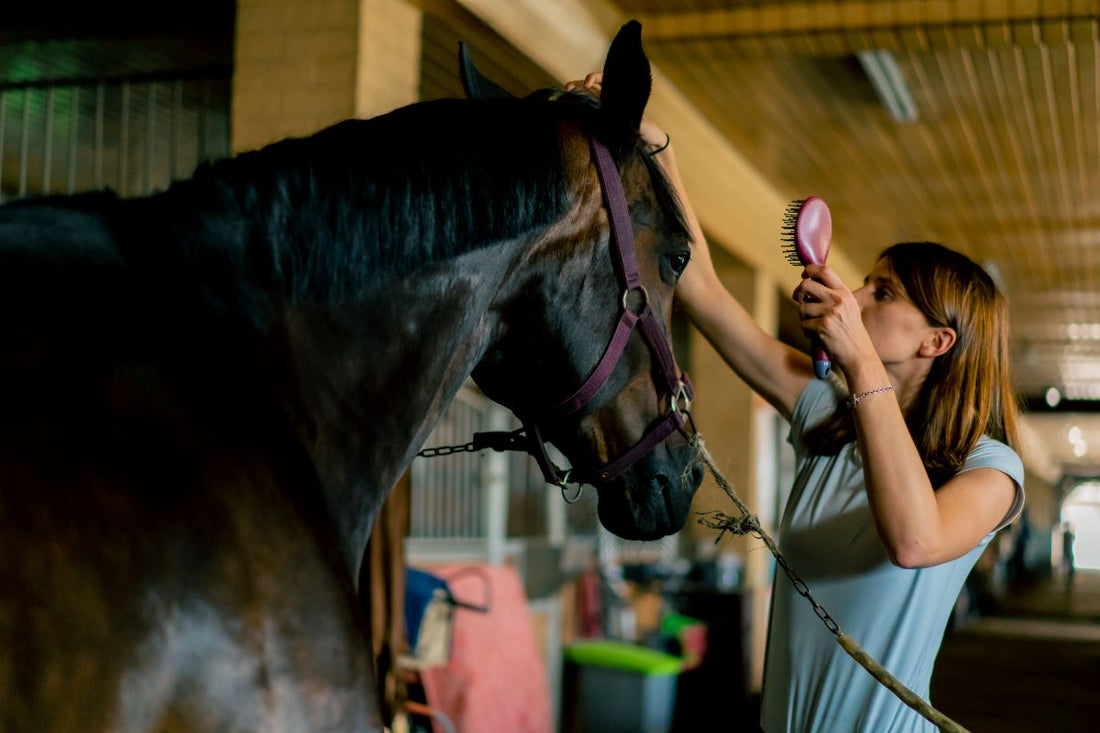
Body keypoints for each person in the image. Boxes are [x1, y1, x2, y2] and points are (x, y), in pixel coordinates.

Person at [565, 74, 1026, 732]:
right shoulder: (828, 416)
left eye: (882, 293)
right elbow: (705, 292)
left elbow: (915, 537)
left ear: (937, 341)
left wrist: (859, 357)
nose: (856, 297)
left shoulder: (990, 468)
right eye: (865, 283)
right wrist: (658, 148)